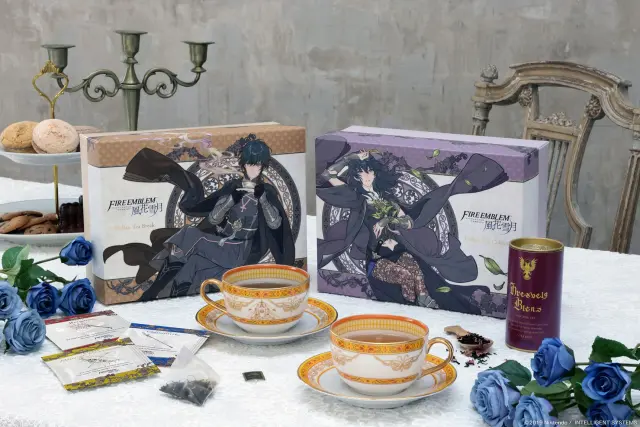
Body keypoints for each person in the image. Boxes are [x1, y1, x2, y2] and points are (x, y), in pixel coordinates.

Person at [316, 138, 508, 315]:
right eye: (361, 172)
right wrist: (352, 157)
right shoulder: (356, 198)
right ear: (356, 176)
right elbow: (327, 175)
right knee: (407, 277)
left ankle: (422, 306)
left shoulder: (388, 200)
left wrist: (388, 221)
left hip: (399, 252)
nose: (367, 176)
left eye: (369, 171)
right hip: (376, 258)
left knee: (421, 277)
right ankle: (409, 310)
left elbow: (408, 222)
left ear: (375, 173)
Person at [104, 134, 295, 301]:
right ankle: (165, 297)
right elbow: (213, 219)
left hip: (241, 251)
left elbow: (275, 224)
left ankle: (152, 291)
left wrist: (263, 200)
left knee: (190, 234)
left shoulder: (267, 191)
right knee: (191, 265)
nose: (253, 168)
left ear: (263, 166)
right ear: (243, 164)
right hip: (222, 242)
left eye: (258, 164)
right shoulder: (233, 187)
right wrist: (230, 200)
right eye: (250, 163)